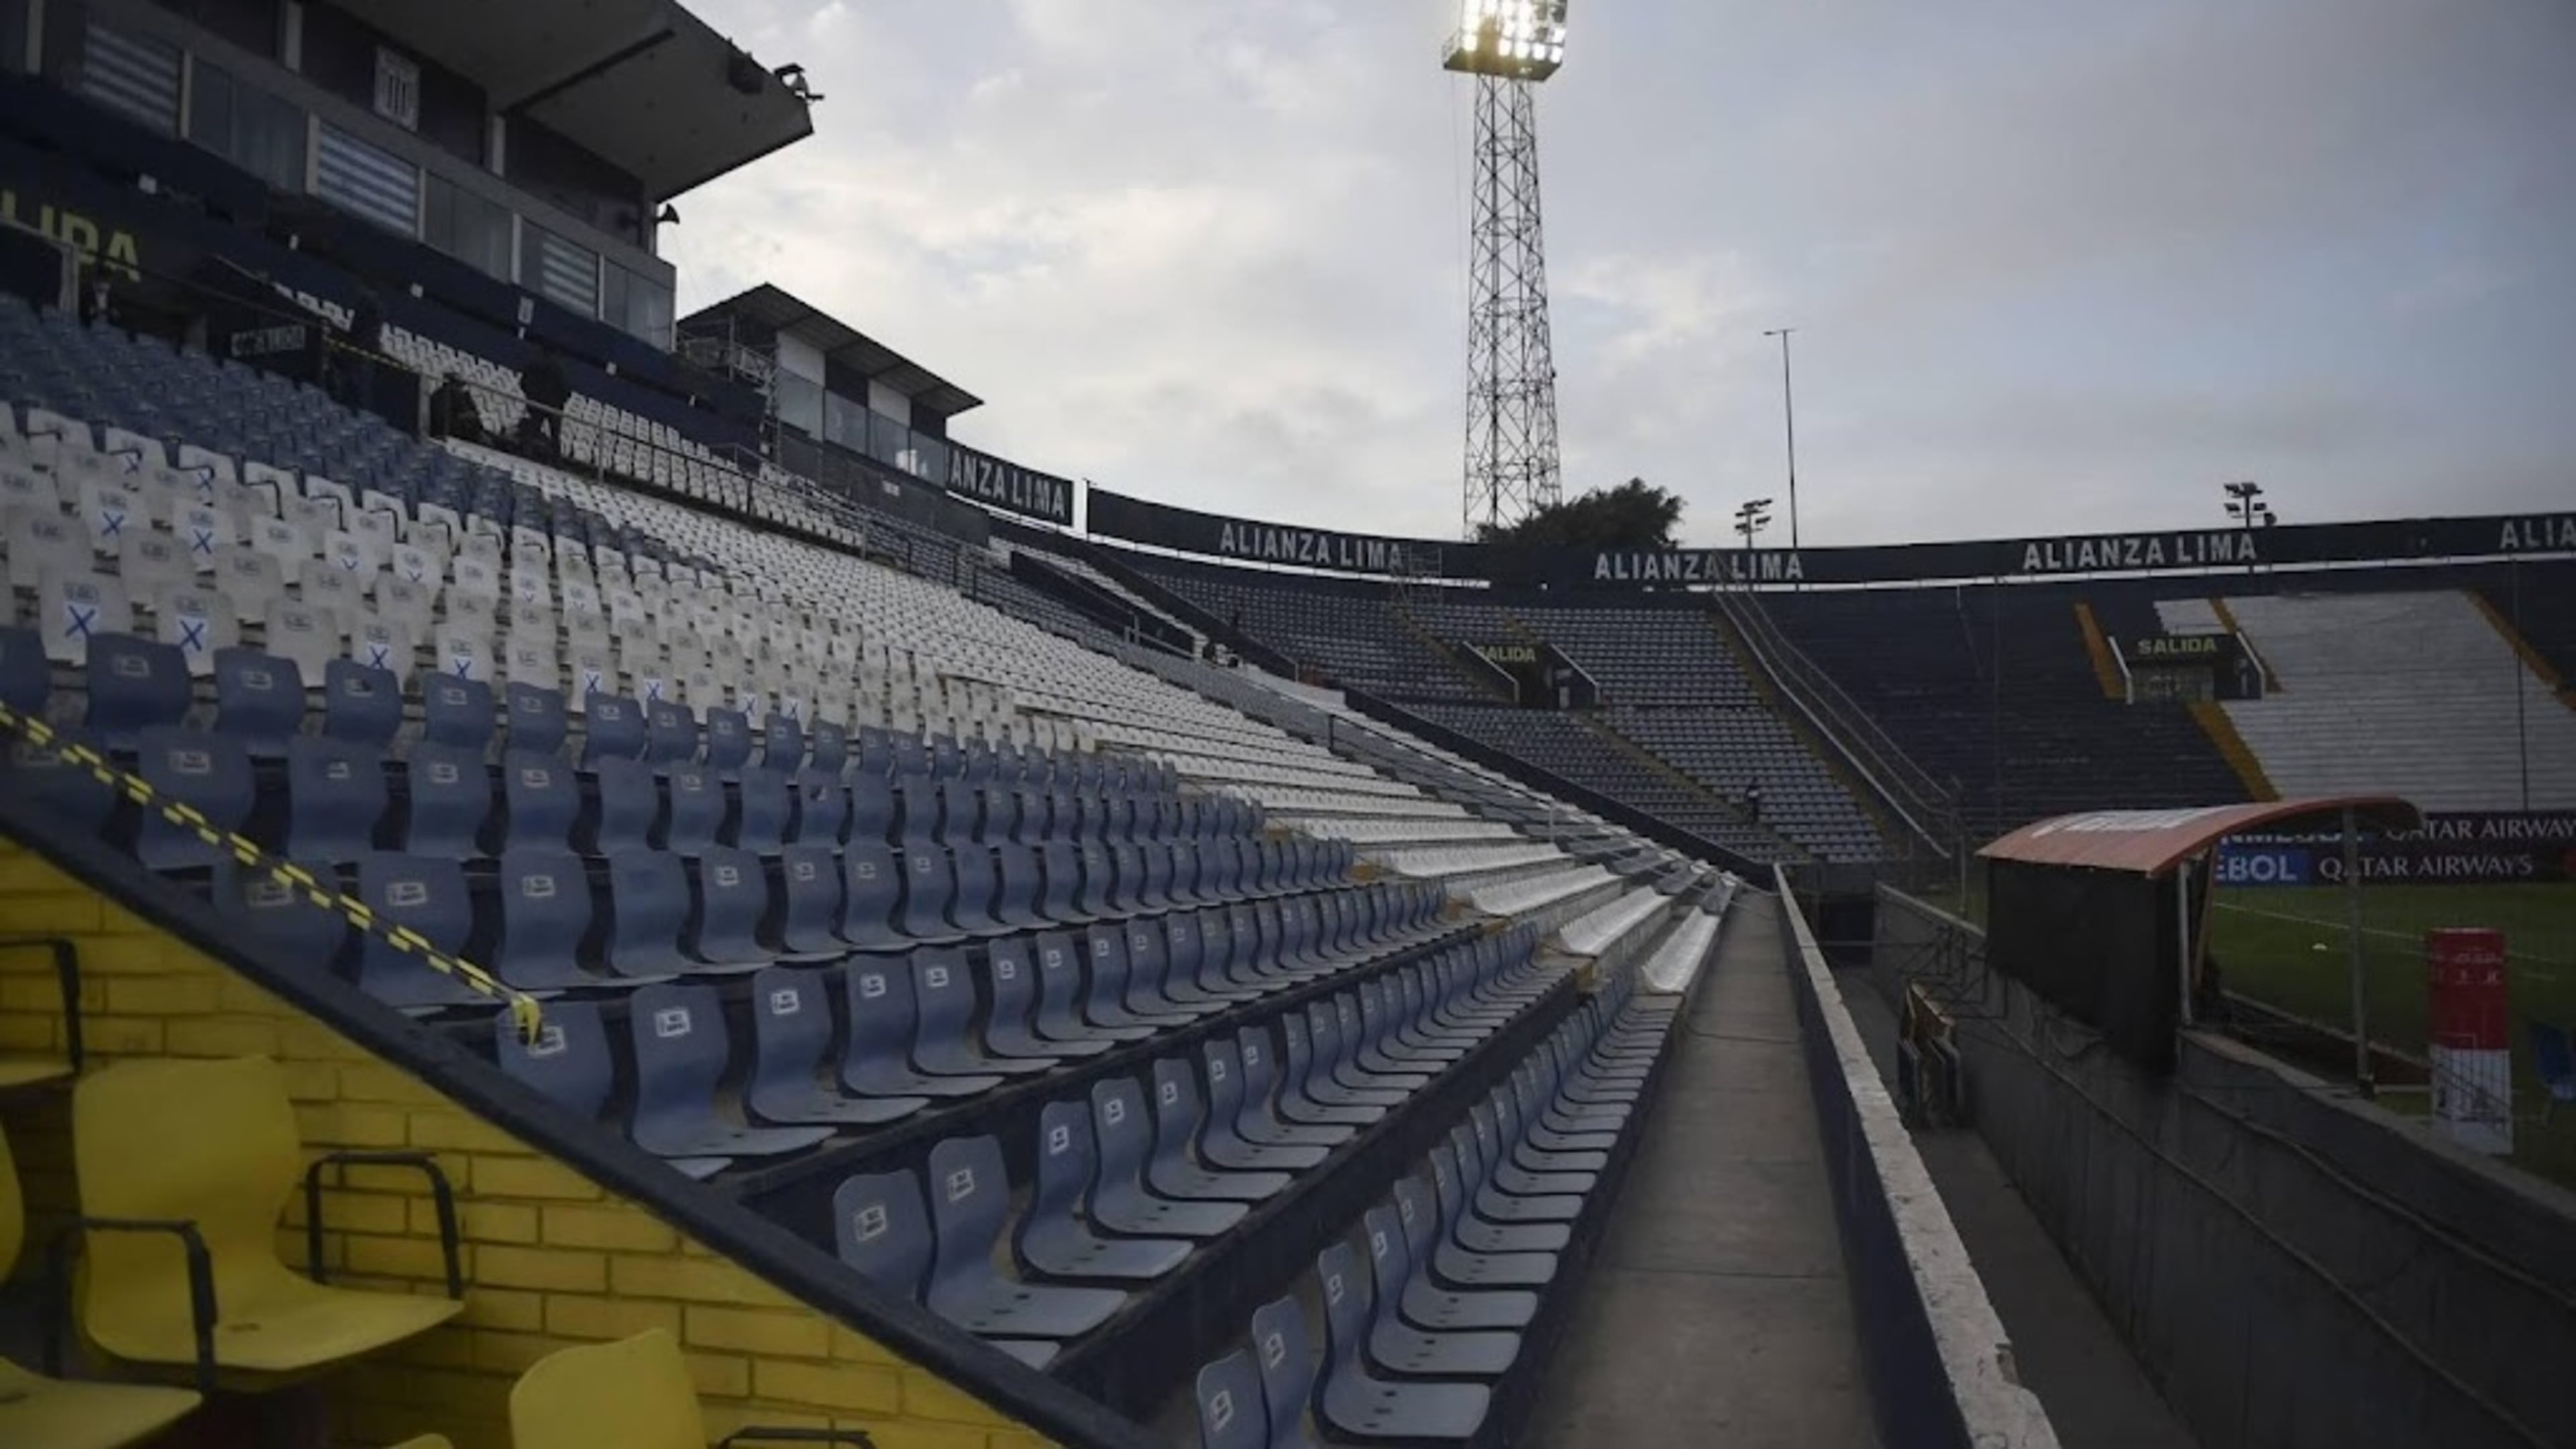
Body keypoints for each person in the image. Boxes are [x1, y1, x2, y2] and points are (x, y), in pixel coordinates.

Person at [519, 346, 570, 458]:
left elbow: (523, 383)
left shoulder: (533, 365)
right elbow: (565, 389)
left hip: (537, 403)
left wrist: (531, 396)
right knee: (555, 435)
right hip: (554, 406)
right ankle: (556, 460)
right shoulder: (558, 369)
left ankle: (525, 453)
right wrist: (560, 401)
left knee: (533, 430)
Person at [428, 371, 486, 445]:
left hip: (460, 430)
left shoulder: (454, 396)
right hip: (453, 432)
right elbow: (449, 419)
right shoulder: (448, 395)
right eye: (459, 385)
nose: (461, 389)